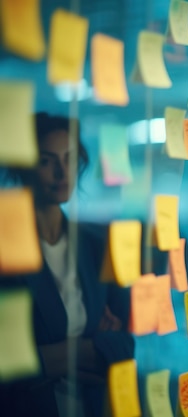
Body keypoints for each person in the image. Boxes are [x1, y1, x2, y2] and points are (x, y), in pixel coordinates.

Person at [0, 112, 134, 417]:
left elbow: (125, 344)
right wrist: (89, 349)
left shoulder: (96, 244)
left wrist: (49, 359)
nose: (62, 172)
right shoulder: (7, 250)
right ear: (24, 167)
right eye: (47, 161)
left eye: (69, 159)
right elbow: (7, 363)